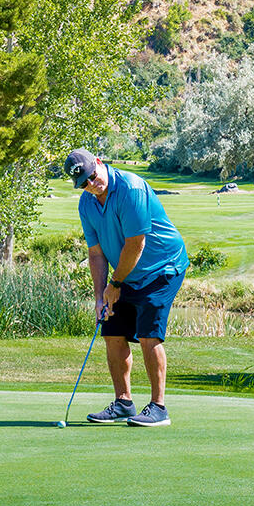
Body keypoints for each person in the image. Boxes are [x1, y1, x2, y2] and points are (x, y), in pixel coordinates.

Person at [66, 147, 189, 427]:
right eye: (83, 183)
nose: (91, 184)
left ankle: (159, 408)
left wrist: (116, 284)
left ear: (99, 162)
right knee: (113, 332)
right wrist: (100, 297)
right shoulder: (87, 204)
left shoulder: (131, 188)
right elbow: (96, 253)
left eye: (92, 176)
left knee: (148, 335)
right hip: (124, 275)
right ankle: (123, 403)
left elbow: (136, 244)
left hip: (162, 268)